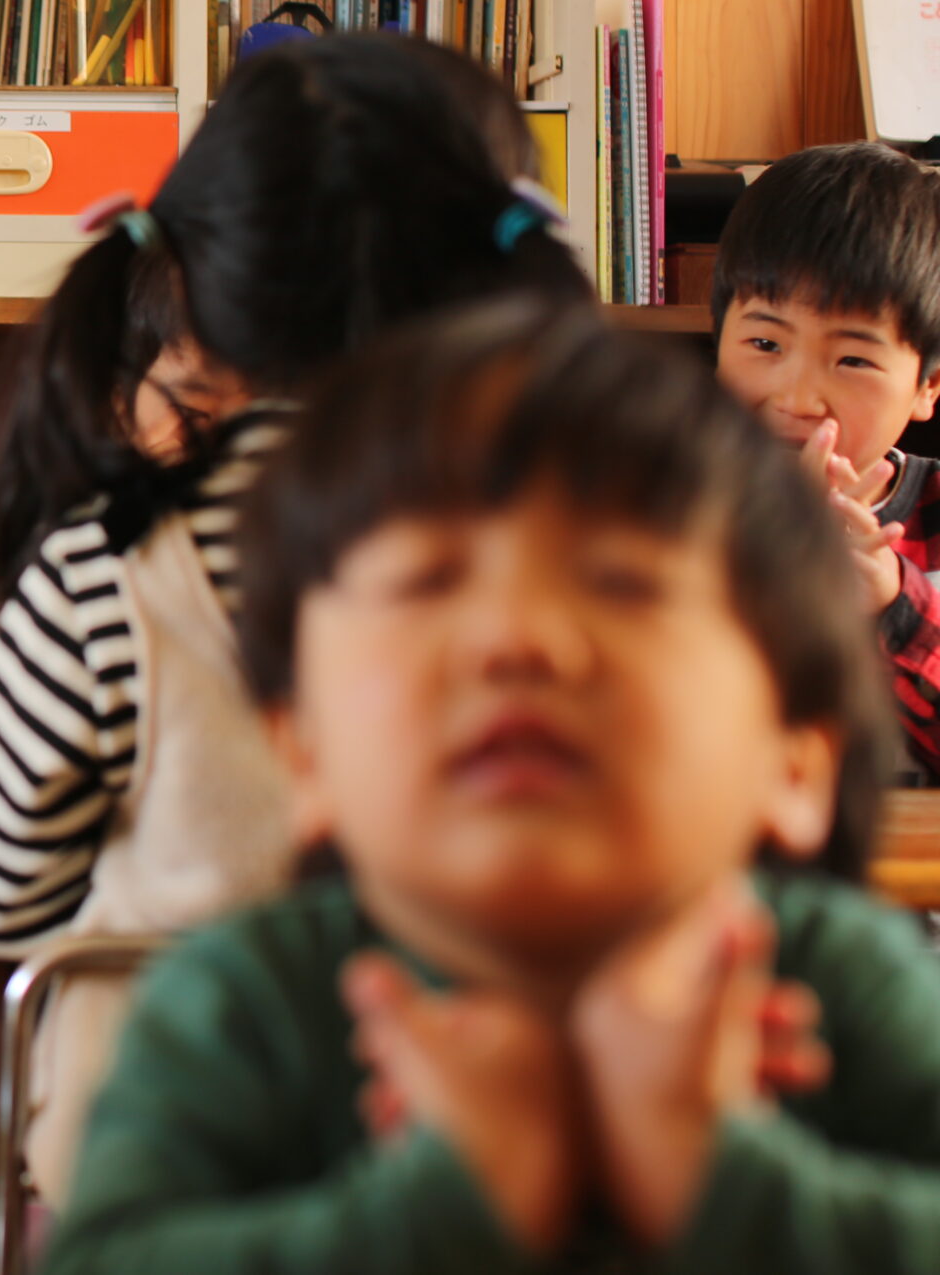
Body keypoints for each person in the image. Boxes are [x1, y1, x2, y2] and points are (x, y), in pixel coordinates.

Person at [49, 298, 940, 1271]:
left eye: (618, 585)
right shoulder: (244, 1003)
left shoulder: (837, 990)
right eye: (430, 583)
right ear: (303, 754)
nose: (515, 642)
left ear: (792, 758)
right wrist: (440, 1202)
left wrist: (717, 1175)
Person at [0, 33, 593, 1204]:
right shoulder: (587, 568)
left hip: (165, 1162)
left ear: (188, 274)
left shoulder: (110, 564)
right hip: (480, 1171)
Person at [707, 140, 940, 777]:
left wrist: (893, 602)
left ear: (927, 386)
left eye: (854, 359)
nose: (797, 397)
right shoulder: (668, 505)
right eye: (764, 342)